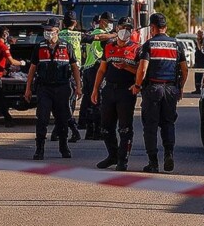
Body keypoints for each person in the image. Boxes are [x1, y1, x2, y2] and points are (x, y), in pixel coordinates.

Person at [131, 13, 188, 173]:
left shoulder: (149, 45)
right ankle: (169, 154)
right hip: (170, 90)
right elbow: (184, 69)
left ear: (153, 28)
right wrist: (180, 87)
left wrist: (137, 85)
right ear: (166, 27)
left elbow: (142, 69)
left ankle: (153, 162)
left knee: (150, 126)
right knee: (168, 123)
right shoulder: (177, 45)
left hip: (153, 90)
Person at [25, 18, 82, 160]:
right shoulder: (39, 47)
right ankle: (39, 149)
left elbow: (75, 68)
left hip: (62, 88)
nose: (47, 33)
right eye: (46, 30)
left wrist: (78, 87)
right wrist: (28, 88)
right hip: (45, 88)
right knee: (42, 119)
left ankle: (64, 147)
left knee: (63, 119)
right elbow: (32, 69)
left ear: (57, 31)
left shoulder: (66, 46)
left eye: (50, 30)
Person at [92, 17, 141, 171]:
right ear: (117, 29)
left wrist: (126, 66)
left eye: (128, 28)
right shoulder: (109, 46)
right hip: (109, 90)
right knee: (105, 127)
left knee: (125, 128)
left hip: (126, 91)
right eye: (122, 27)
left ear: (132, 31)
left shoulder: (137, 49)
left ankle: (122, 159)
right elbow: (102, 70)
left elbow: (140, 71)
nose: (124, 31)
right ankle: (112, 155)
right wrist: (95, 89)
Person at [79, 11, 116, 139]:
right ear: (101, 21)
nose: (110, 24)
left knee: (90, 102)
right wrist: (115, 35)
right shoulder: (104, 35)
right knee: (98, 102)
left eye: (111, 22)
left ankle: (90, 131)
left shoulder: (92, 32)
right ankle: (98, 131)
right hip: (96, 69)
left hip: (88, 69)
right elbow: (102, 39)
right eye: (108, 21)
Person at [52, 11, 83, 142]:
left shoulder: (57, 37)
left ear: (62, 24)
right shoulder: (79, 35)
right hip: (72, 73)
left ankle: (59, 131)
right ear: (75, 23)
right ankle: (68, 130)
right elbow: (97, 38)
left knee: (61, 105)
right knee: (67, 104)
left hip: (59, 72)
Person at [193, 30, 204, 94]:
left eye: (199, 34)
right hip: (198, 61)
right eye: (197, 34)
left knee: (201, 75)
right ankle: (197, 89)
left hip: (203, 61)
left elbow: (200, 49)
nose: (198, 36)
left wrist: (197, 42)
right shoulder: (197, 41)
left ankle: (201, 88)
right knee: (197, 75)